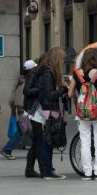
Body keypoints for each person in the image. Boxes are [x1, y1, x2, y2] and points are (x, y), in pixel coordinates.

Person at [68, 48, 97, 181]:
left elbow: (70, 93)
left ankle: (87, 173)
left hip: (82, 112)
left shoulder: (76, 73)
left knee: (84, 141)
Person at [34, 47, 69, 180]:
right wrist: (63, 89)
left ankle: (47, 169)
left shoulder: (45, 71)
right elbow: (49, 95)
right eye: (62, 60)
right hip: (48, 110)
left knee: (47, 139)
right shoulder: (48, 73)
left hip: (47, 109)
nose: (62, 63)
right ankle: (48, 170)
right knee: (47, 140)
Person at [0, 60, 36, 160]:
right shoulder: (30, 81)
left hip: (20, 108)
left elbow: (12, 97)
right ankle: (7, 149)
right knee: (23, 131)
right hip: (26, 109)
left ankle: (39, 150)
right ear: (32, 69)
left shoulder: (19, 81)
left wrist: (12, 108)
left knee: (31, 130)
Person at [23, 54, 46, 178]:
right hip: (33, 111)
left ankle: (29, 169)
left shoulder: (41, 74)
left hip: (38, 111)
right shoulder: (34, 73)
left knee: (37, 141)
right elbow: (26, 91)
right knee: (39, 140)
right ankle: (42, 169)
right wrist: (40, 90)